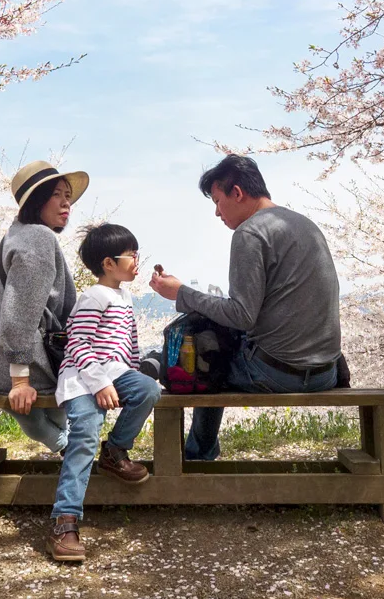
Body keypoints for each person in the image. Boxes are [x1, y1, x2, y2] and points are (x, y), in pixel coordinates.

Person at [148, 154, 343, 461]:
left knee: (207, 359)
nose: (216, 212)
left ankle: (197, 457)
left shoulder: (251, 233)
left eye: (217, 200)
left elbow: (241, 315)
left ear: (237, 193)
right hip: (325, 372)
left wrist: (181, 293)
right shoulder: (306, 225)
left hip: (279, 374)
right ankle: (198, 453)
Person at [0, 161, 88, 453]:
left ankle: (70, 445)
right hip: (8, 365)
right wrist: (20, 381)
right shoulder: (37, 238)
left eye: (68, 195)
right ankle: (73, 448)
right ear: (36, 200)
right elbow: (18, 316)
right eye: (57, 194)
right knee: (92, 383)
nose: (66, 203)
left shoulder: (17, 233)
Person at [46, 222, 161, 563]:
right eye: (131, 255)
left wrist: (133, 375)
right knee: (83, 433)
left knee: (149, 390)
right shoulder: (93, 296)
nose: (137, 260)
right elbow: (78, 344)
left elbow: (129, 347)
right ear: (109, 263)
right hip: (82, 377)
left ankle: (114, 452)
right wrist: (100, 384)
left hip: (115, 373)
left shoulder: (123, 297)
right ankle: (65, 521)